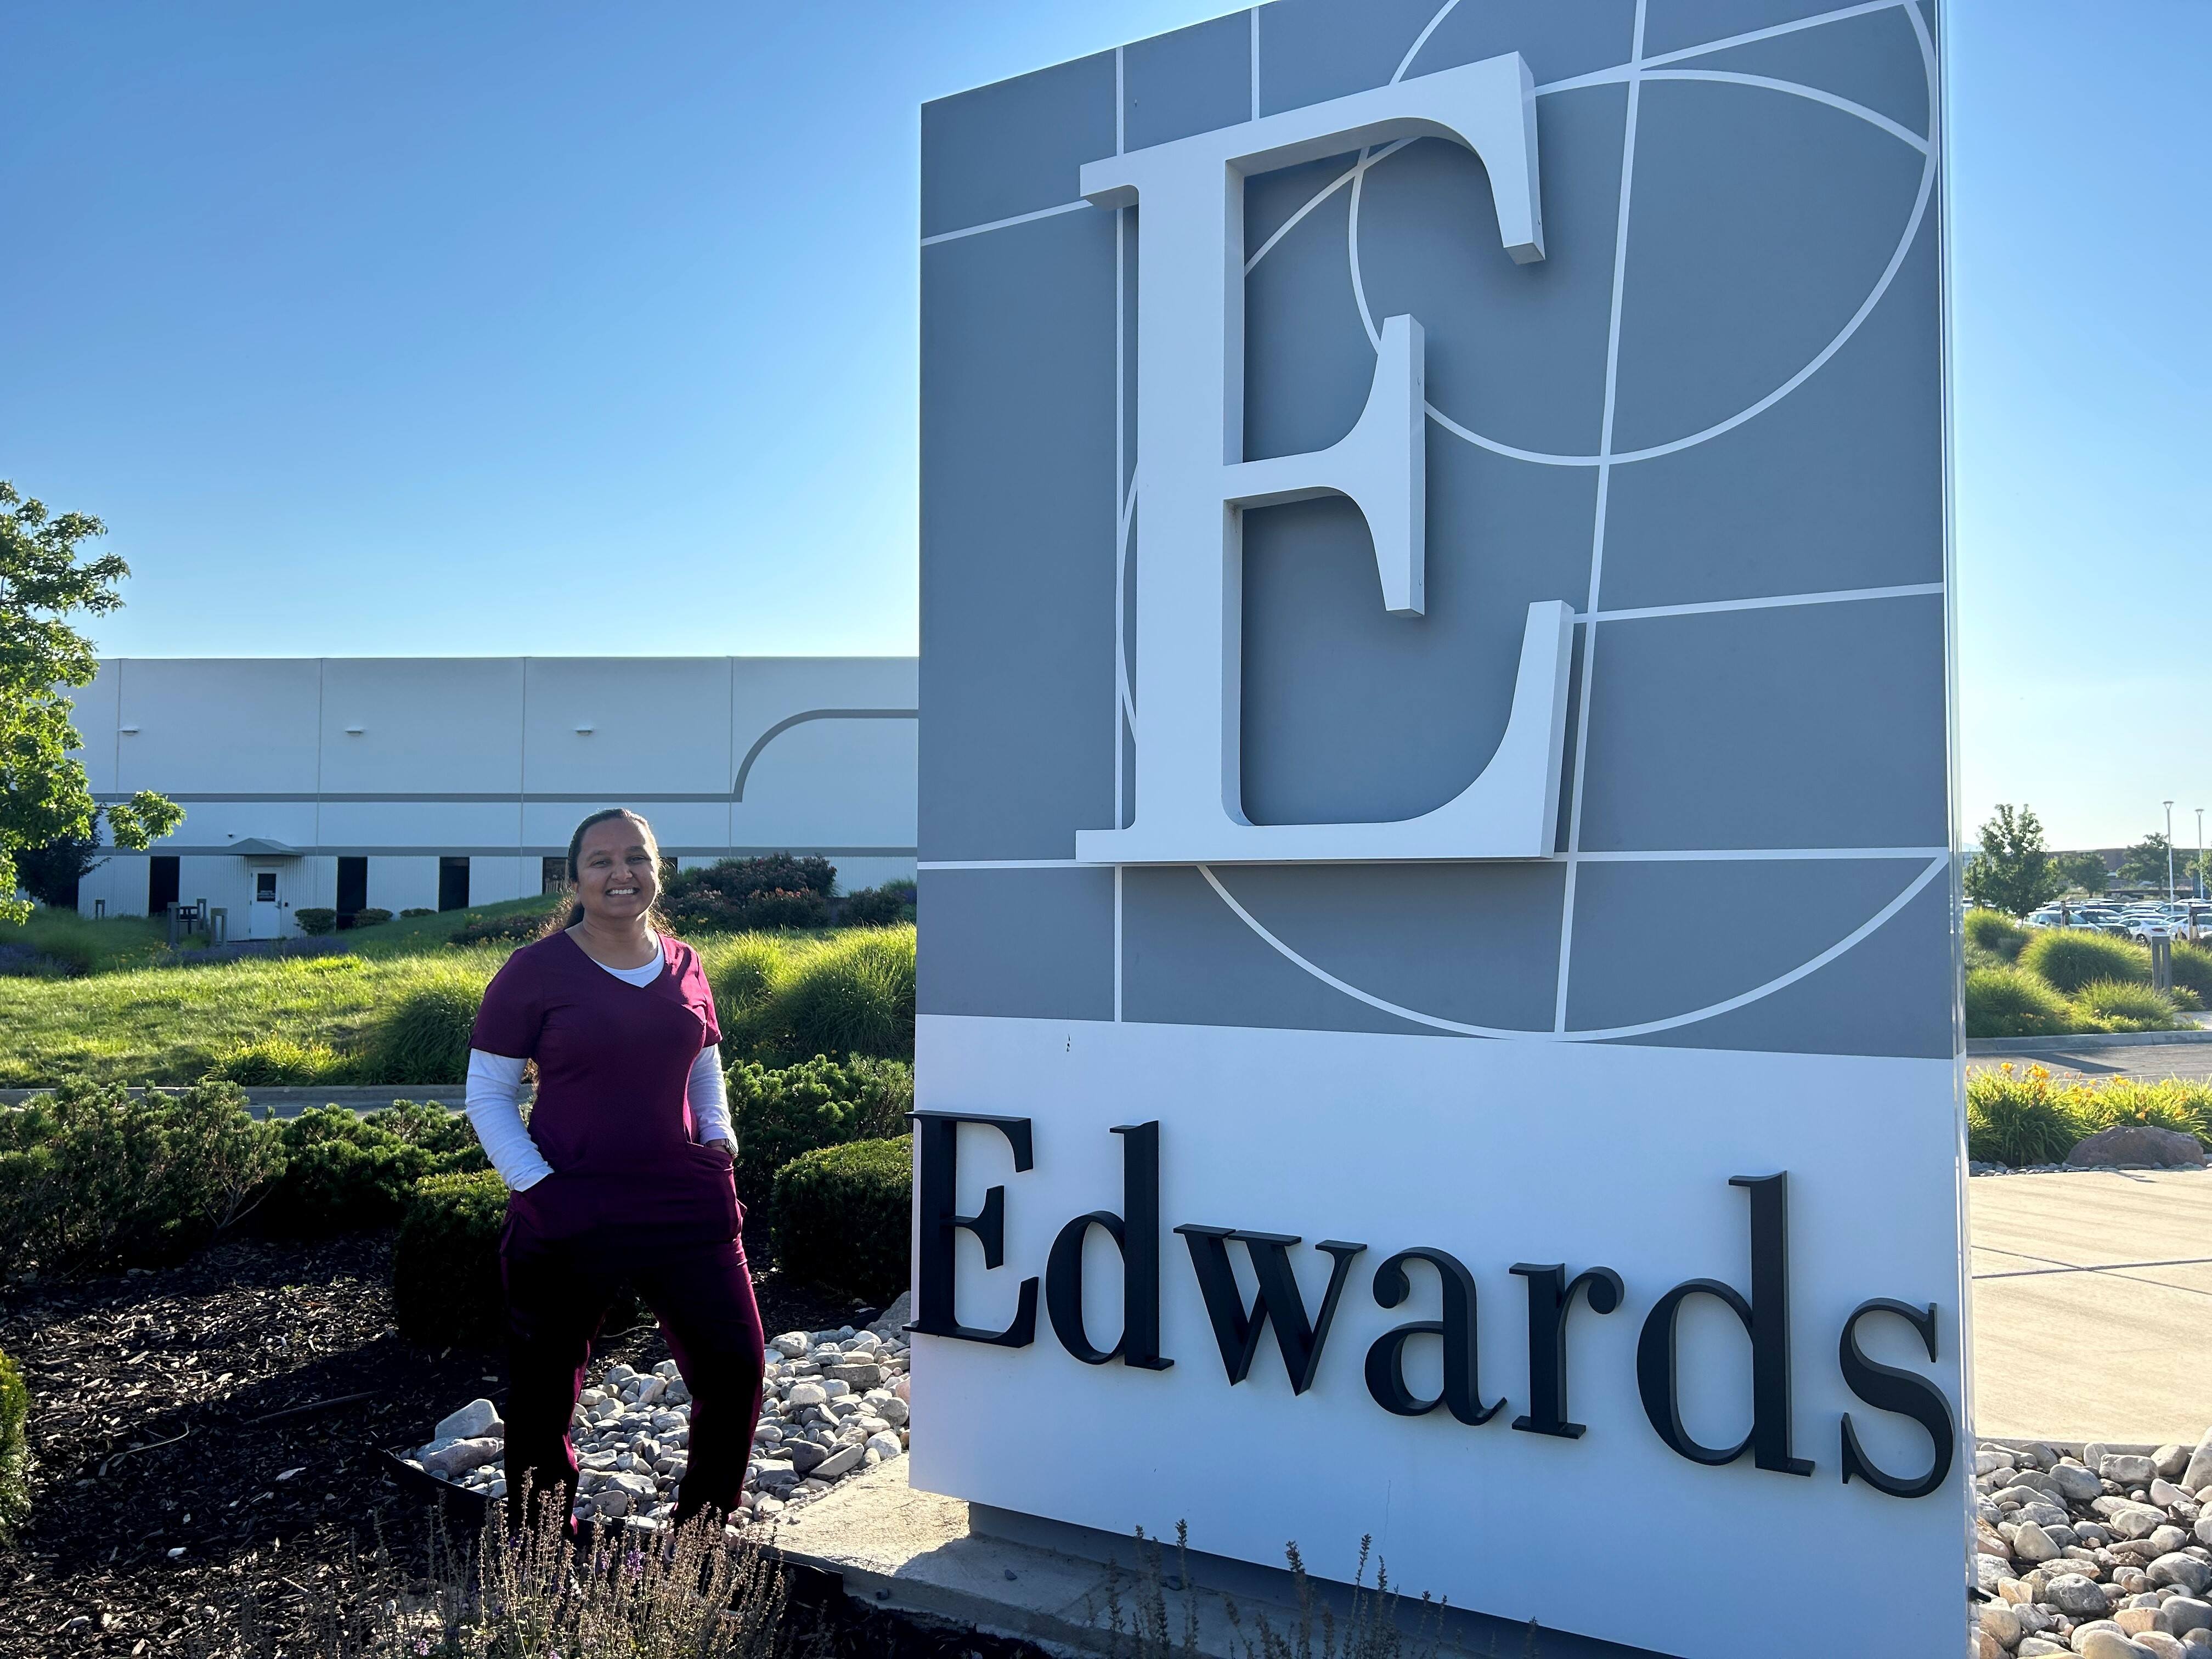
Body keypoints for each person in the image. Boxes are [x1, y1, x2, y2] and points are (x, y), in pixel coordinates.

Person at [462, 807, 763, 1533]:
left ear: (660, 871)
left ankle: (700, 1533)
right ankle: (542, 1549)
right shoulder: (535, 972)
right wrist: (539, 1188)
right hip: (570, 1207)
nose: (620, 872)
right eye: (600, 861)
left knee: (735, 1368)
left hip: (682, 1202)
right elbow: (488, 1093)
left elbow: (704, 1062)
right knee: (542, 1397)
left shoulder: (687, 963)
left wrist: (718, 1136)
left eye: (636, 857)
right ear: (573, 879)